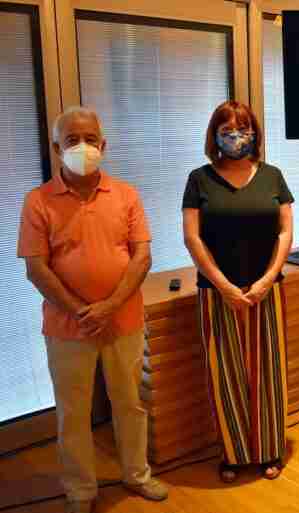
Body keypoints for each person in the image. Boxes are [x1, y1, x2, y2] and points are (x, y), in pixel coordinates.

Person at [18, 107, 168, 513]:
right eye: (72, 140)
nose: (82, 146)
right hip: (66, 328)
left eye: (89, 139)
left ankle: (137, 474)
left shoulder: (126, 195)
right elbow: (36, 268)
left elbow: (142, 257)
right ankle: (80, 491)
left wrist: (110, 306)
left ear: (103, 145)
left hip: (124, 320)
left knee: (130, 404)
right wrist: (84, 313)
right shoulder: (37, 202)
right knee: (73, 413)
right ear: (56, 148)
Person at [182, 101, 294, 483]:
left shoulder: (273, 176)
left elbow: (285, 232)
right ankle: (232, 453)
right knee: (225, 375)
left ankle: (270, 450)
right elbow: (192, 238)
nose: (235, 137)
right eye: (227, 131)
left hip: (267, 290)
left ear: (255, 134)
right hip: (217, 292)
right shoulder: (199, 179)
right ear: (214, 136)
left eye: (243, 129)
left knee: (269, 373)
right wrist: (225, 286)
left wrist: (267, 279)